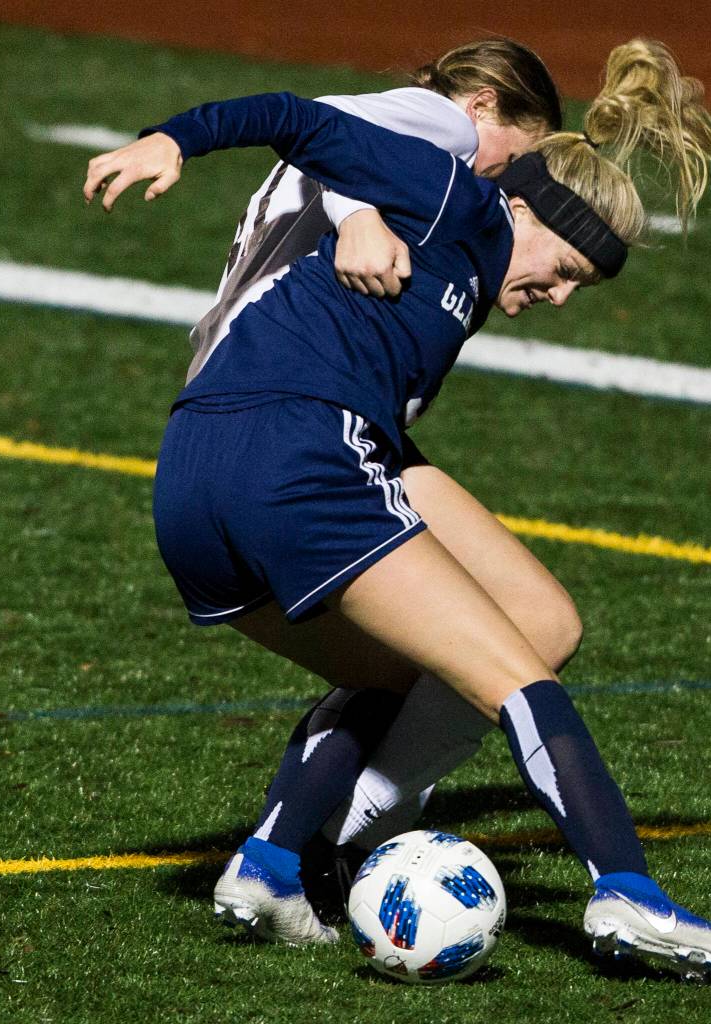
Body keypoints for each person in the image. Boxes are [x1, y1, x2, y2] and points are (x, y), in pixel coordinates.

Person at [83, 39, 711, 987]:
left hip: (199, 476)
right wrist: (171, 141)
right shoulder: (455, 192)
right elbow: (303, 116)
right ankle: (629, 895)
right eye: (564, 267)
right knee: (515, 680)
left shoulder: (456, 280)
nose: (559, 297)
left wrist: (353, 211)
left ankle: (277, 865)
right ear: (519, 204)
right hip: (299, 455)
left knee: (496, 637)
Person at [90, 39, 584, 860]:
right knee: (479, 645)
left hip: (284, 404)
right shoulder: (442, 126)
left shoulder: (426, 158)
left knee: (535, 622)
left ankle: (330, 831)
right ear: (485, 106)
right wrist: (357, 214)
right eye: (513, 158)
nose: (500, 184)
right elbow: (320, 123)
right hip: (297, 407)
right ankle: (344, 832)